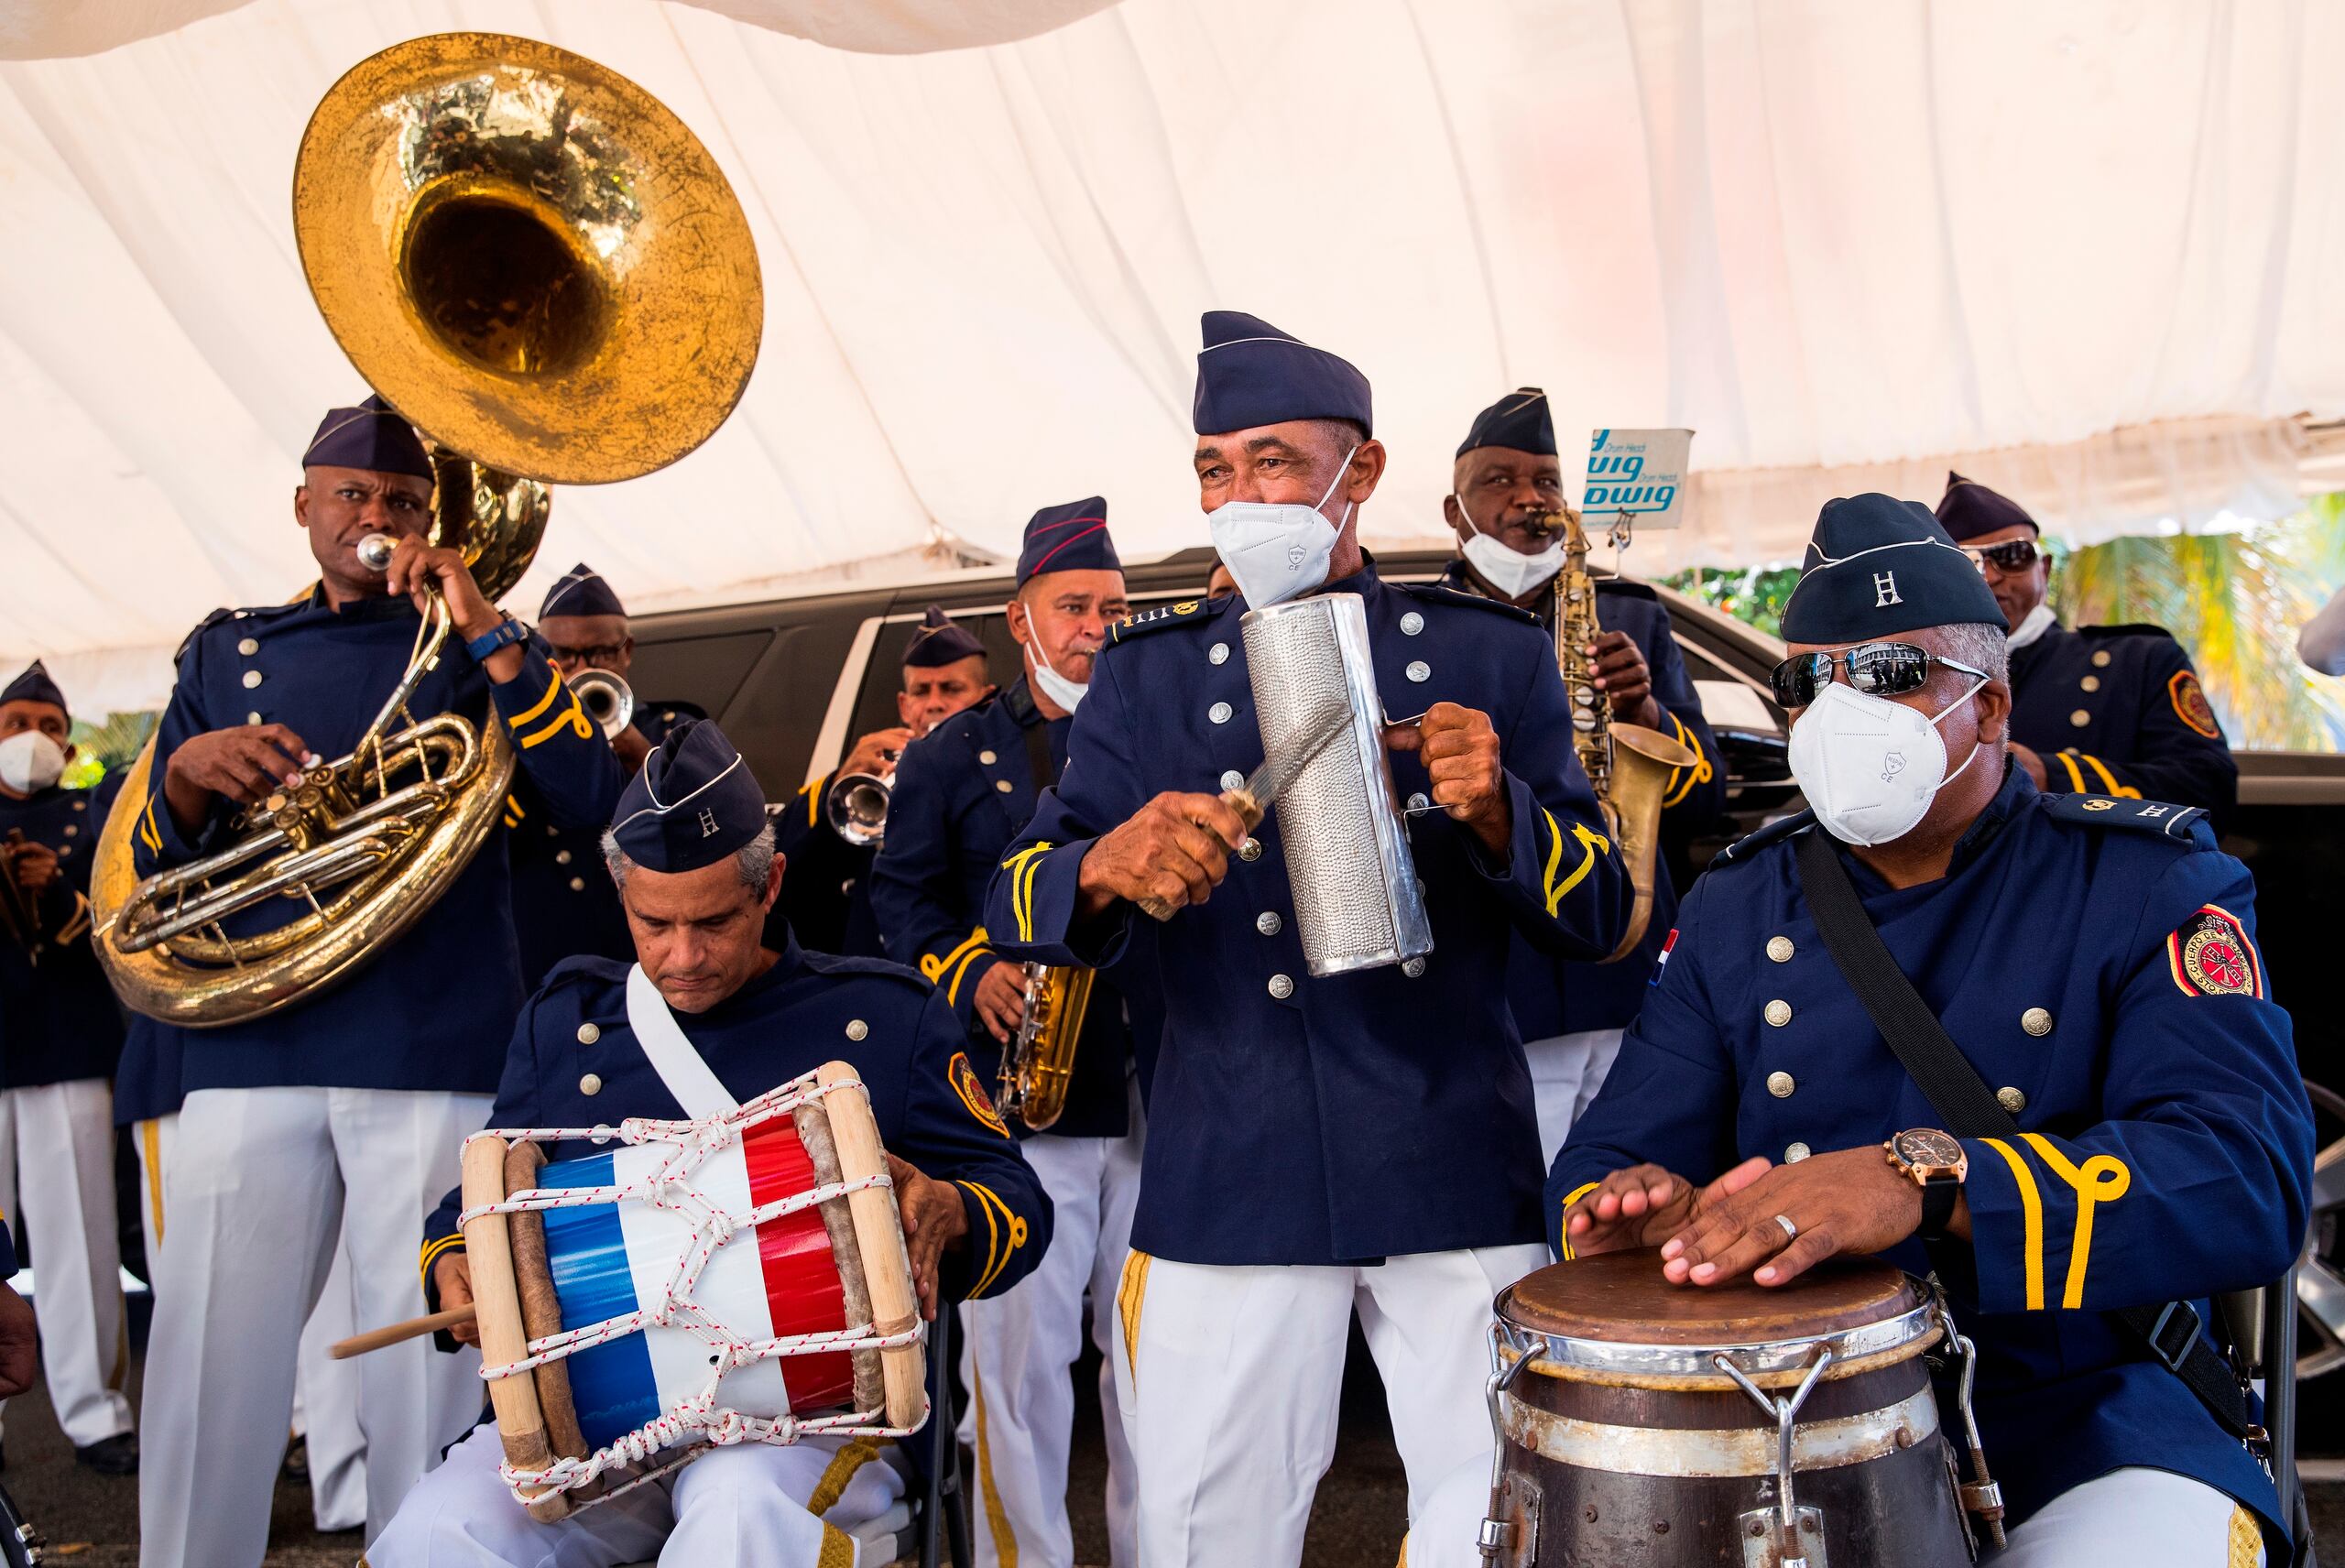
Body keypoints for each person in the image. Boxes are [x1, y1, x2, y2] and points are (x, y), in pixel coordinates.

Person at [1552, 493, 2311, 1566]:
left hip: (2079, 1414)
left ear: (1991, 707)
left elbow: (2244, 1177)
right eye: (1805, 679)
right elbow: (1607, 1151)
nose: (1837, 707)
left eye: (1887, 673)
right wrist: (1625, 1210)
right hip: (1774, 1424)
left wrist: (1932, 1179)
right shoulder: (1737, 902)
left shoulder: (2147, 884)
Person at [983, 310, 1630, 1568]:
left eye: (1272, 462)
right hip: (1235, 1162)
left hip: (1450, 1147)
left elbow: (1599, 913)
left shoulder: (1485, 654)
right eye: (1215, 469)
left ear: (1362, 472)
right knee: (1196, 1530)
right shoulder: (1144, 679)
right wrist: (1100, 871)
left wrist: (1504, 810)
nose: (1239, 494)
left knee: (1509, 1519)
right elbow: (1017, 890)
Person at [372, 718, 1053, 1566]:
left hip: (804, 1418)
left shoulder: (884, 1018)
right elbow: (471, 1206)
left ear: (770, 886)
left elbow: (1016, 1196)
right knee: (442, 1530)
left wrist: (949, 1210)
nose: (683, 957)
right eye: (652, 925)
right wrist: (455, 1263)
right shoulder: (569, 1022)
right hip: (597, 1421)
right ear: (621, 896)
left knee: (736, 1517)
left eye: (714, 923)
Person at [132, 394, 623, 1565]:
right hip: (253, 1040)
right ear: (303, 506)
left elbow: (593, 800)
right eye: (351, 494)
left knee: (433, 1372)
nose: (376, 515)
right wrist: (190, 773)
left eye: (402, 501)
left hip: (430, 1034)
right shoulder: (225, 648)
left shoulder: (477, 648)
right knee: (209, 1363)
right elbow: (152, 870)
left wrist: (489, 627)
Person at [871, 506, 1141, 1568]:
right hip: (1018, 1106)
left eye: (1111, 607)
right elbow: (903, 898)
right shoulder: (953, 750)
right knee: (1016, 1381)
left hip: (1154, 1089)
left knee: (1158, 1366)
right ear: (1019, 618)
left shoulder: (1159, 723)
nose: (1093, 627)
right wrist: (971, 968)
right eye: (1071, 606)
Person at [1439, 388, 1724, 1161]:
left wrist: (1648, 716)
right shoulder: (1422, 625)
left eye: (1548, 482)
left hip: (1632, 967)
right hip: (1503, 974)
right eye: (1500, 480)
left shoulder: (1632, 613)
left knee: (1635, 1191)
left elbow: (1708, 795)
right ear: (1453, 510)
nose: (1530, 498)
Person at [0, 660, 136, 1475]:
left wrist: (53, 895)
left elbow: (113, 925)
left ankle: (95, 1414)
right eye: (18, 721)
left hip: (69, 1046)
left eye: (52, 726)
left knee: (79, 1238)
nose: (35, 740)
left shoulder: (92, 815)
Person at [1936, 473, 2236, 815]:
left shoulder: (2140, 660)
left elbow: (2211, 787)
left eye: (2012, 555)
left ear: (2044, 569)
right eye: (1965, 563)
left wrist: (2055, 776)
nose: (1990, 575)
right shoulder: (1914, 677)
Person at [507, 562, 704, 990]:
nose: (582, 668)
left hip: (638, 953)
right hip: (546, 955)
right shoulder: (515, 740)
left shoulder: (673, 729)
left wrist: (632, 746)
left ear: (627, 650)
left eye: (600, 653)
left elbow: (706, 819)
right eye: (564, 655)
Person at [771, 606, 996, 959]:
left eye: (951, 688)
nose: (935, 704)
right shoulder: (874, 773)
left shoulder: (1006, 769)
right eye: (922, 691)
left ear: (986, 697)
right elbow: (776, 865)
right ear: (905, 707)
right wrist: (839, 781)